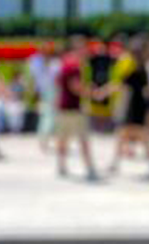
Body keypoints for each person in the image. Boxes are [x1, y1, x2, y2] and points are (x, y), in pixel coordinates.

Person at [54, 42, 99, 180]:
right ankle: (90, 168)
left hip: (63, 107)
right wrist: (91, 92)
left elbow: (57, 83)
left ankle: (61, 166)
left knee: (63, 138)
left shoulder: (64, 65)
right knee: (83, 139)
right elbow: (75, 87)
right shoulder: (74, 67)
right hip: (73, 109)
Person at [106, 34, 147, 176]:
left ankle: (114, 163)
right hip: (137, 106)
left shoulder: (136, 68)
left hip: (134, 107)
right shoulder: (140, 68)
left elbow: (119, 85)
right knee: (133, 135)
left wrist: (102, 92)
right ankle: (114, 163)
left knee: (129, 135)